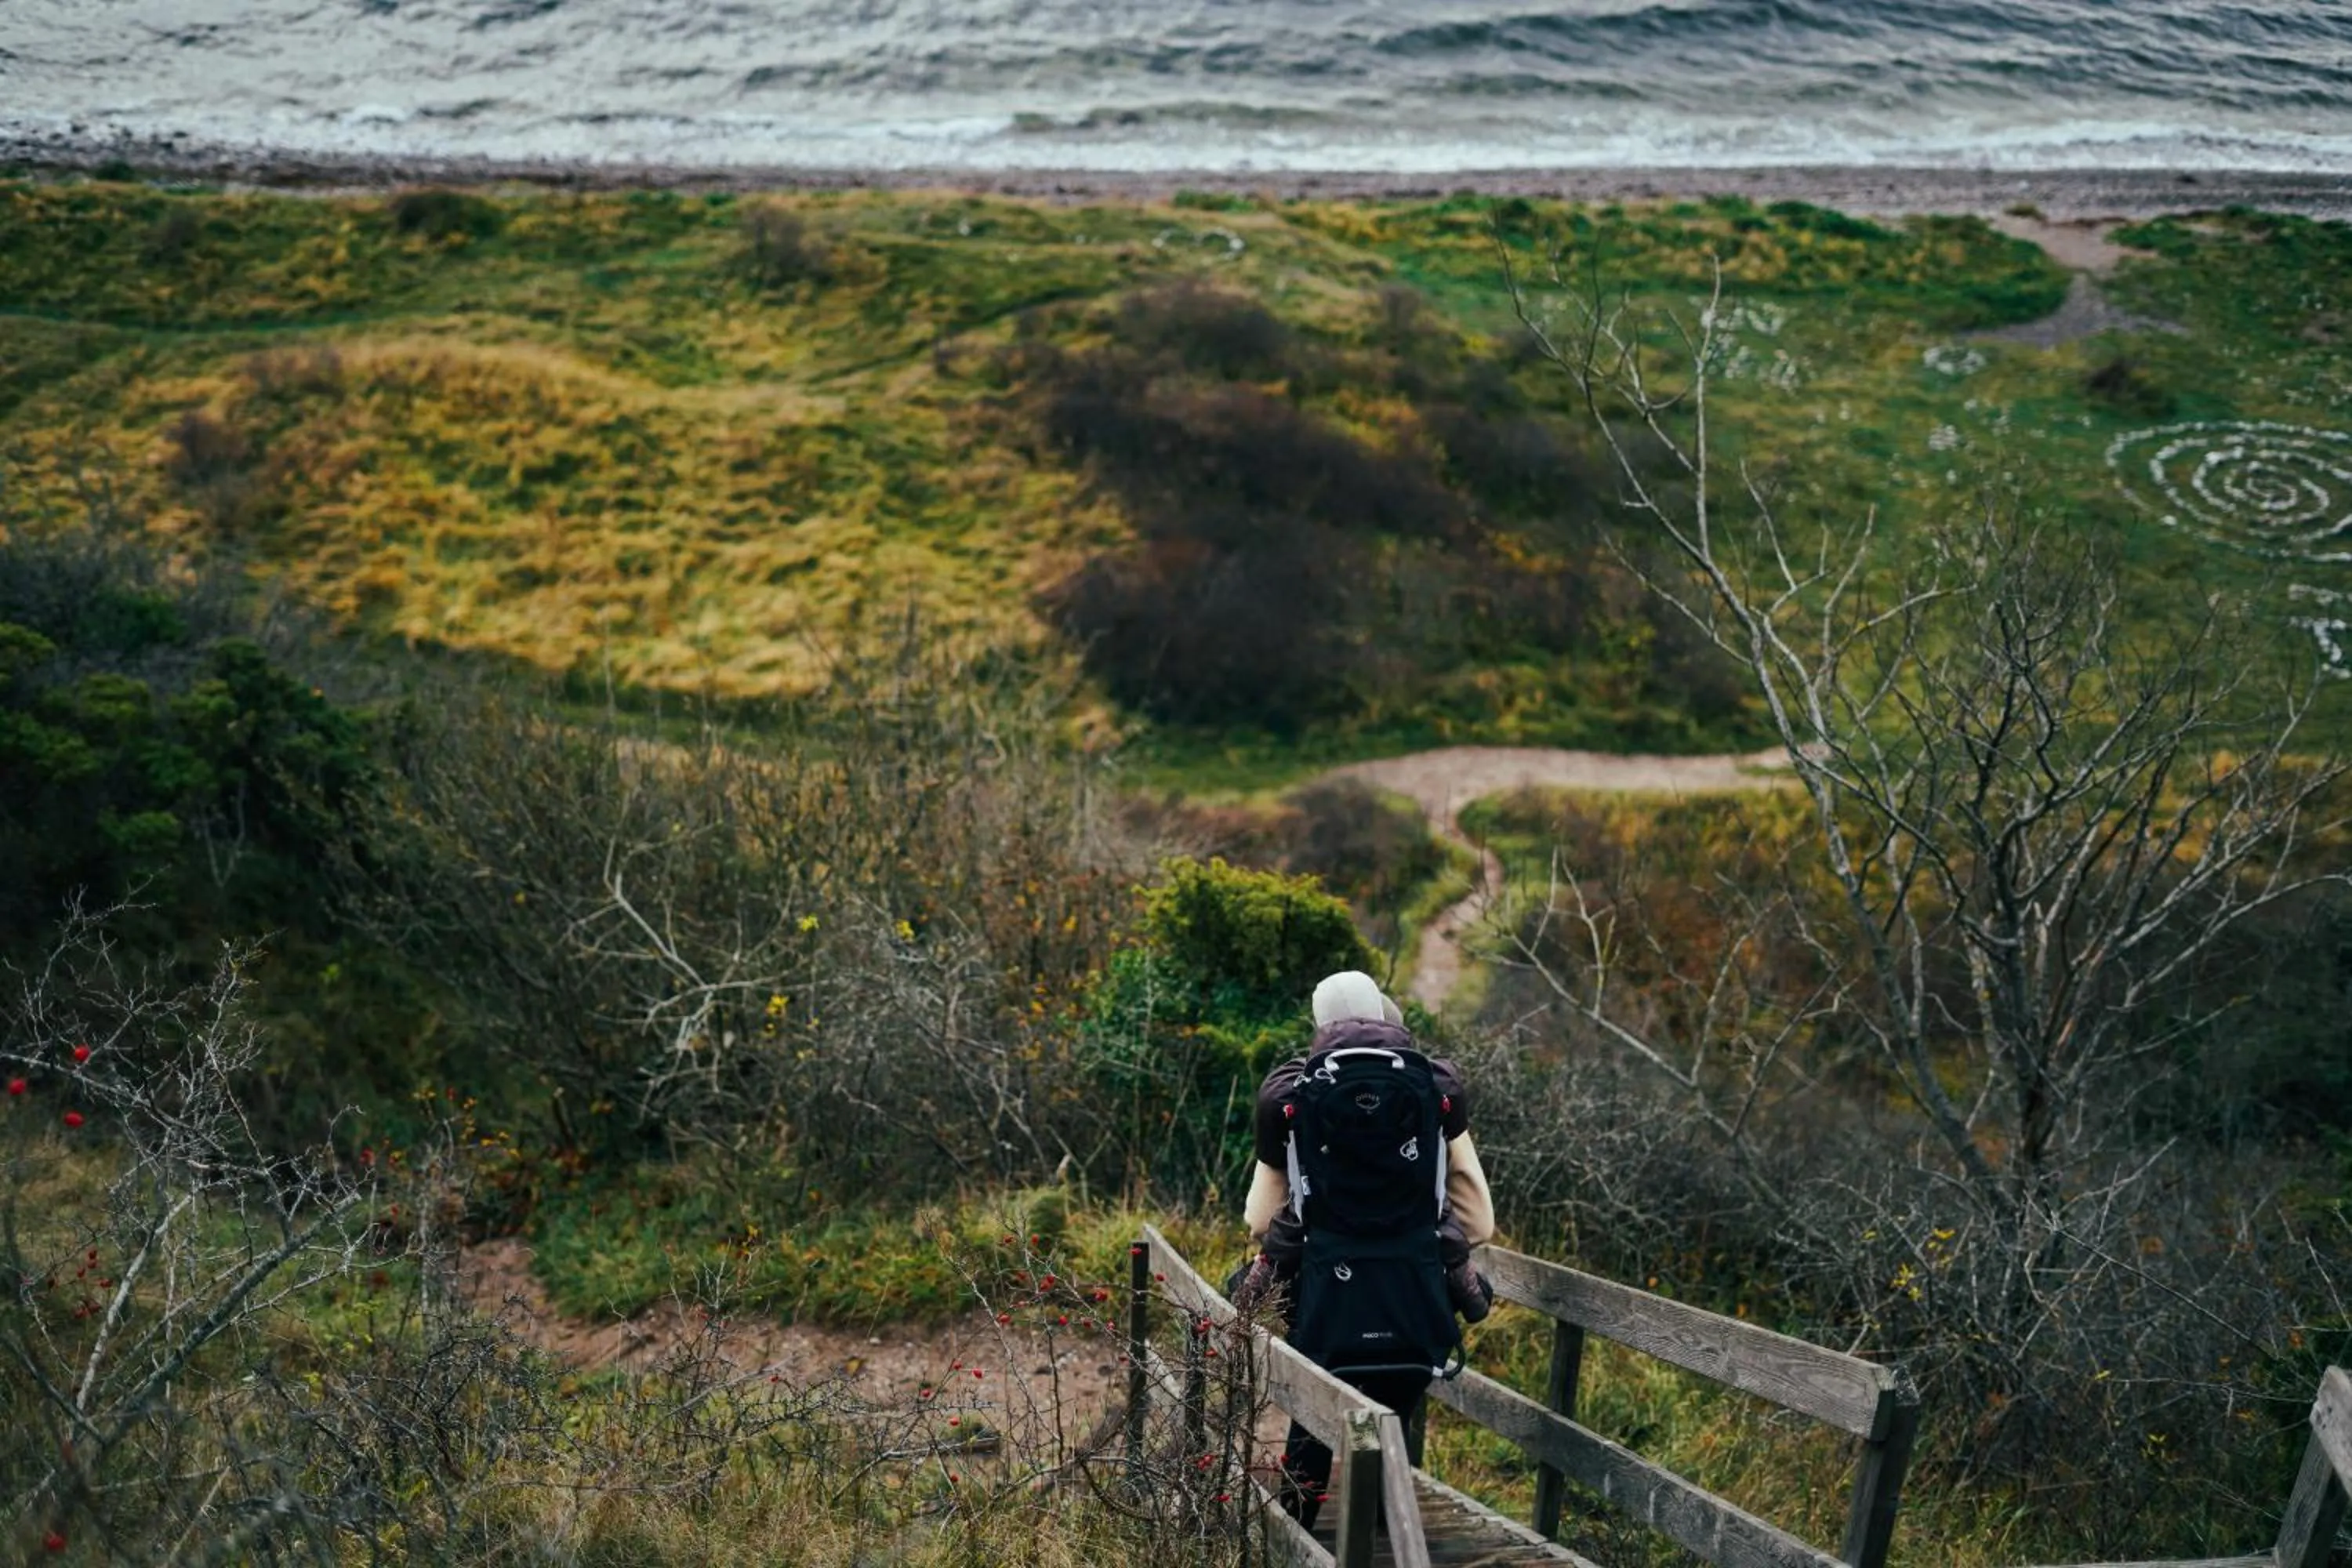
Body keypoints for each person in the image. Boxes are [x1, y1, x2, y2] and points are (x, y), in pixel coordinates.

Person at [1232, 970, 1496, 1528]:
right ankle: (1385, 1527)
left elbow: (1259, 1218)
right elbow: (1479, 1219)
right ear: (1384, 1013)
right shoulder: (1434, 1086)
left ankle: (1297, 1534)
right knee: (1392, 1412)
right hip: (1414, 1296)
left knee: (1315, 1416)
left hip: (1327, 1298)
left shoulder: (1289, 1092)